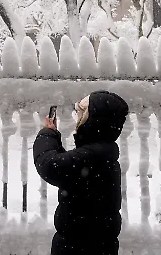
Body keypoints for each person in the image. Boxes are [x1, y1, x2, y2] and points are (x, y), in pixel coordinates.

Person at [33, 90, 129, 255]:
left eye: (82, 114)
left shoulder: (92, 156)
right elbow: (70, 170)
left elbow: (49, 166)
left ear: (93, 121)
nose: (77, 119)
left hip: (80, 247)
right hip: (93, 244)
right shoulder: (101, 152)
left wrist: (47, 134)